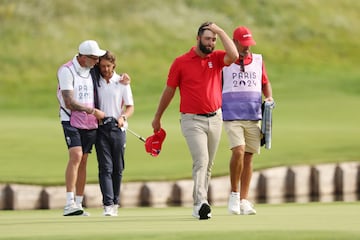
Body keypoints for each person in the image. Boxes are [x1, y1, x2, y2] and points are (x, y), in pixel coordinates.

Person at [151, 22, 238, 220]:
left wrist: (221, 31)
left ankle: (199, 203)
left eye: (214, 39)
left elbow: (233, 55)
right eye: (208, 39)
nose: (211, 43)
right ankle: (200, 203)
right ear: (198, 39)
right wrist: (158, 116)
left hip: (215, 118)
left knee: (208, 164)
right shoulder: (181, 62)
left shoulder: (215, 58)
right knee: (202, 160)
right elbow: (169, 91)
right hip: (192, 120)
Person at [222, 26, 274, 215]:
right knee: (238, 150)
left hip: (253, 116)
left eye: (248, 44)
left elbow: (265, 83)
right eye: (243, 44)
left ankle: (244, 200)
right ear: (234, 42)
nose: (246, 48)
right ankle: (234, 195)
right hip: (231, 115)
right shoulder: (226, 61)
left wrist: (268, 97)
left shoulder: (258, 60)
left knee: (249, 156)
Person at [57, 40, 106, 216]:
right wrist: (93, 111)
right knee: (76, 155)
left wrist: (123, 79)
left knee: (84, 159)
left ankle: (78, 203)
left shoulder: (91, 70)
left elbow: (110, 75)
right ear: (83, 57)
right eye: (94, 58)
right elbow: (69, 102)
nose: (97, 62)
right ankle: (69, 203)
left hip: (89, 123)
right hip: (70, 119)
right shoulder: (66, 70)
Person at [92, 51, 134, 216]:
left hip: (118, 129)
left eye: (108, 66)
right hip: (101, 129)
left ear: (114, 66)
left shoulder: (122, 82)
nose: (105, 69)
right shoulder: (95, 81)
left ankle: (115, 202)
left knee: (118, 168)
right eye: (102, 66)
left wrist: (123, 116)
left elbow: (130, 106)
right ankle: (108, 205)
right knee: (105, 167)